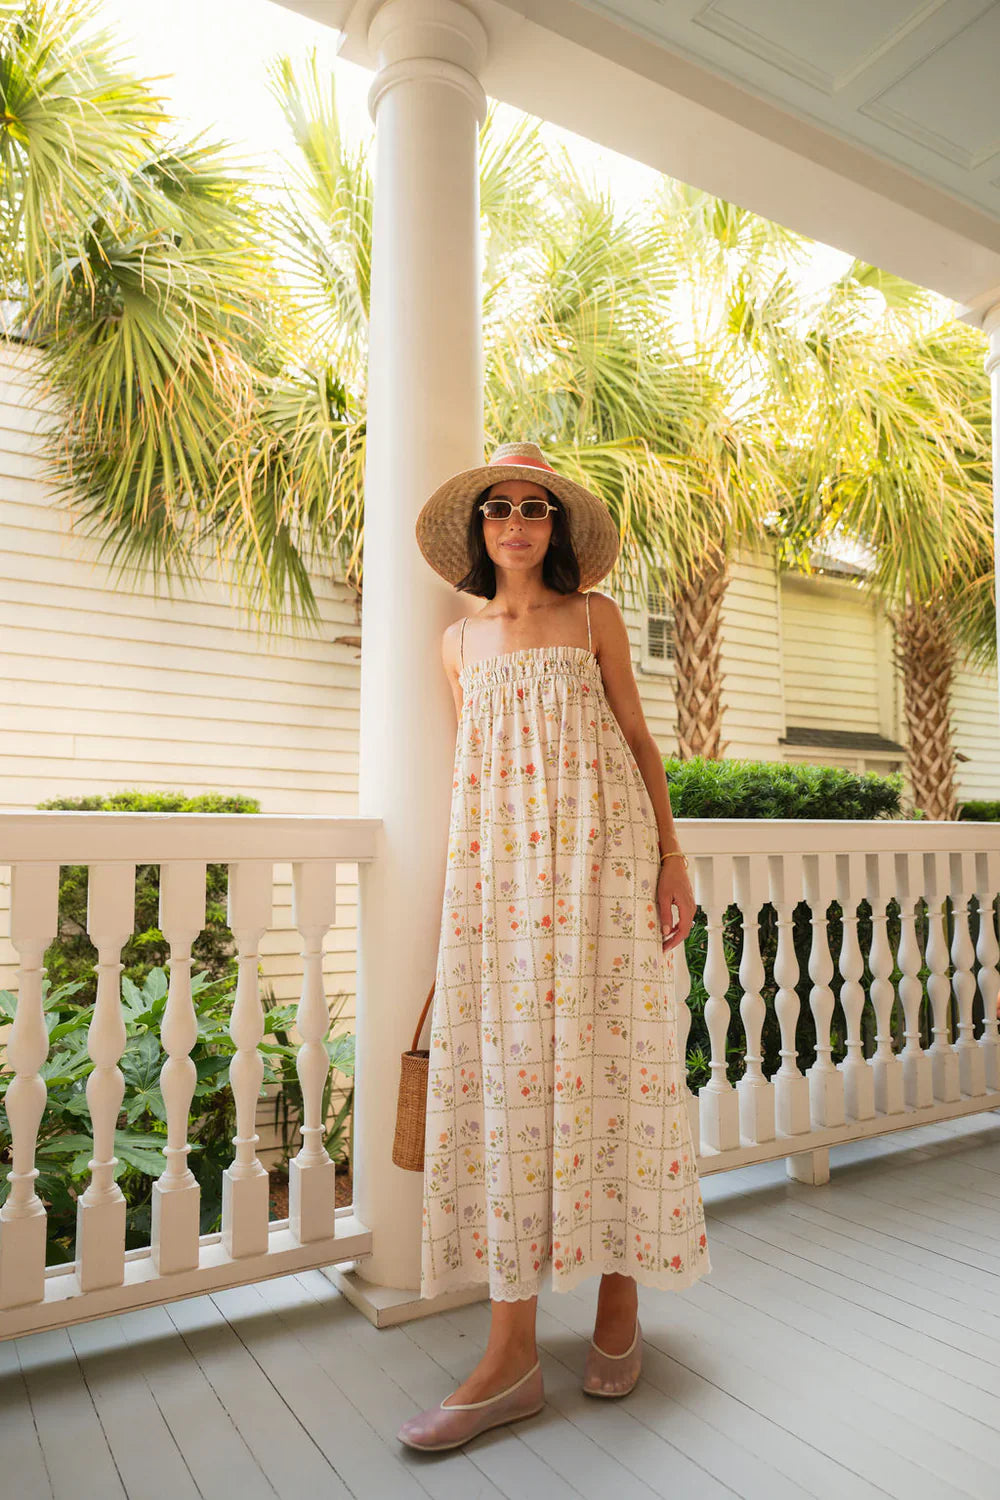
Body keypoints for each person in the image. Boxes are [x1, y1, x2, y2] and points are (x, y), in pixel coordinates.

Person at [399, 442, 710, 1452]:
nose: (515, 524)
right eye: (498, 508)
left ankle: (620, 1296)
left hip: (608, 868)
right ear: (480, 528)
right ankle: (512, 1351)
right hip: (505, 889)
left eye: (533, 509)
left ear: (555, 528)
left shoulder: (594, 619)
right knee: (515, 1087)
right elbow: (474, 777)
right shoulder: (455, 644)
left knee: (615, 1069)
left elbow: (637, 740)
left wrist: (671, 860)